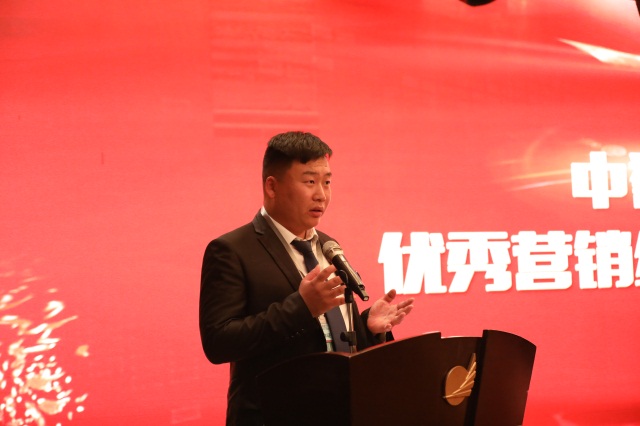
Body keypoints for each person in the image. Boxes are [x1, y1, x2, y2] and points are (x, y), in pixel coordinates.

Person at [199, 131, 414, 426]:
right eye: (310, 182)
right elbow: (219, 342)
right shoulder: (232, 250)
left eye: (327, 182)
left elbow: (329, 338)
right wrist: (302, 307)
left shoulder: (328, 246)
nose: (321, 195)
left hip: (338, 412)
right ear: (272, 187)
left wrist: (366, 328)